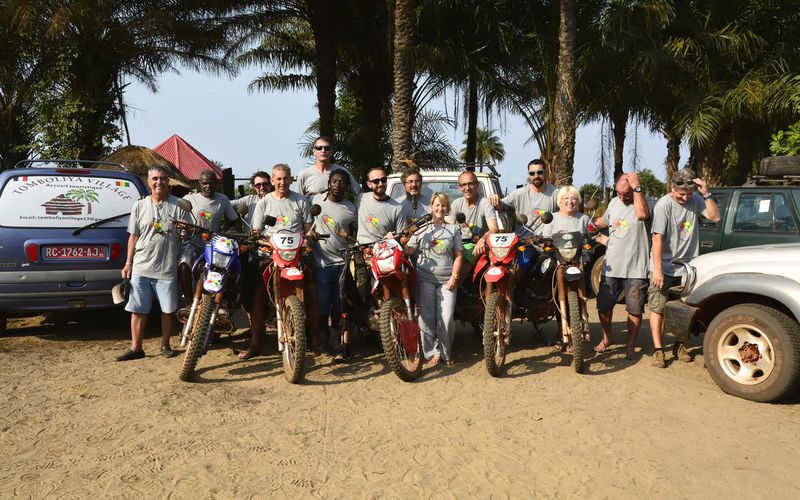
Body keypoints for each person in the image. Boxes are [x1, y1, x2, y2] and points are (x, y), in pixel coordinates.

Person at [117, 166, 191, 361]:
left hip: (167, 268)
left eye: (163, 178)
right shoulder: (139, 206)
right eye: (155, 179)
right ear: (149, 182)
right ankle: (136, 348)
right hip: (141, 266)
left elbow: (188, 235)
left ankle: (165, 345)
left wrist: (185, 231)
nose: (159, 182)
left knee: (168, 310)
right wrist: (128, 263)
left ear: (169, 182)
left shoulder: (179, 206)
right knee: (138, 308)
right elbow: (133, 236)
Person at [649, 168, 720, 368]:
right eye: (681, 194)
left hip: (688, 268)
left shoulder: (696, 200)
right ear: (672, 188)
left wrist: (706, 194)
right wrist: (657, 270)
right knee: (658, 308)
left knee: (683, 309)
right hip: (663, 267)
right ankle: (658, 350)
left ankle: (679, 345)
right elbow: (657, 238)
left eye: (688, 194)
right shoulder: (664, 205)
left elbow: (715, 217)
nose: (684, 198)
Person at [242, 164, 313, 359]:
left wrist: (310, 236)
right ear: (273, 181)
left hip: (295, 255)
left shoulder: (300, 201)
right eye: (278, 179)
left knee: (315, 288)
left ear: (291, 179)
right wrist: (260, 239)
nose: (282, 182)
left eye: (286, 178)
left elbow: (308, 229)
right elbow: (256, 231)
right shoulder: (264, 203)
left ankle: (317, 338)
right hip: (269, 254)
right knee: (257, 294)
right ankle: (255, 343)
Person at [593, 171, 652, 359]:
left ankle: (630, 344)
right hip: (612, 265)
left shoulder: (645, 201)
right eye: (618, 192)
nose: (621, 196)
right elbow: (603, 221)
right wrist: (586, 223)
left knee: (634, 309)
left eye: (625, 193)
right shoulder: (613, 202)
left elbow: (642, 215)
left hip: (636, 267)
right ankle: (607, 337)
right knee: (603, 306)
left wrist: (637, 191)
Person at [405, 193, 464, 366]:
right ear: (431, 207)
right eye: (437, 205)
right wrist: (396, 241)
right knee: (427, 318)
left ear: (448, 208)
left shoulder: (454, 229)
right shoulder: (422, 229)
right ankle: (432, 353)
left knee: (446, 318)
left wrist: (454, 277)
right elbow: (409, 250)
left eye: (444, 205)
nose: (440, 208)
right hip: (425, 279)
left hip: (447, 280)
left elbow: (459, 255)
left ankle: (446, 353)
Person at [311, 170, 357, 361]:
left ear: (347, 186)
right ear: (329, 183)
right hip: (320, 262)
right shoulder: (315, 201)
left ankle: (336, 339)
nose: (338, 185)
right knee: (322, 304)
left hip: (342, 263)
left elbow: (356, 236)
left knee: (339, 304)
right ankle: (320, 340)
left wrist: (348, 237)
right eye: (335, 181)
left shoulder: (351, 208)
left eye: (342, 182)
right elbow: (306, 224)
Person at [178, 170, 239, 305]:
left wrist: (230, 232)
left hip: (214, 243)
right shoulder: (189, 199)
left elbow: (234, 220)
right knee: (183, 265)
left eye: (211, 183)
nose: (208, 186)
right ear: (199, 184)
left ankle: (223, 302)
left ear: (216, 184)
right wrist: (184, 227)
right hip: (192, 241)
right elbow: (180, 220)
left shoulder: (222, 199)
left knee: (228, 269)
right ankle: (188, 302)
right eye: (204, 183)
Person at [542, 185, 590, 350]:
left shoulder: (583, 218)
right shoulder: (552, 218)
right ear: (559, 201)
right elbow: (545, 238)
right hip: (558, 261)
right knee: (554, 292)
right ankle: (560, 332)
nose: (570, 202)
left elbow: (591, 235)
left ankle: (581, 323)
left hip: (579, 261)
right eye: (566, 199)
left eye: (574, 199)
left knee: (583, 292)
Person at [489, 158, 557, 234]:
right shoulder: (519, 194)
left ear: (545, 173)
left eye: (540, 172)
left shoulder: (556, 193)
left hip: (548, 241)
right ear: (529, 175)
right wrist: (494, 200)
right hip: (523, 242)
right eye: (532, 173)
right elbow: (501, 206)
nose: (536, 176)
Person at [450, 170, 498, 268]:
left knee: (468, 257)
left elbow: (494, 228)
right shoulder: (456, 203)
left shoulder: (485, 203)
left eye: (470, 184)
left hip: (477, 244)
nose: (467, 188)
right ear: (459, 187)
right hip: (458, 243)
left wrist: (483, 239)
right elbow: (449, 227)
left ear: (477, 185)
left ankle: (455, 283)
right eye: (463, 185)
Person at [356, 167, 407, 245]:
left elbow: (403, 239)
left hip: (383, 254)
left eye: (383, 180)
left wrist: (393, 239)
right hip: (361, 252)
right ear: (369, 184)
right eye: (376, 181)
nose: (380, 184)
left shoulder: (397, 209)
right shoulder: (361, 198)